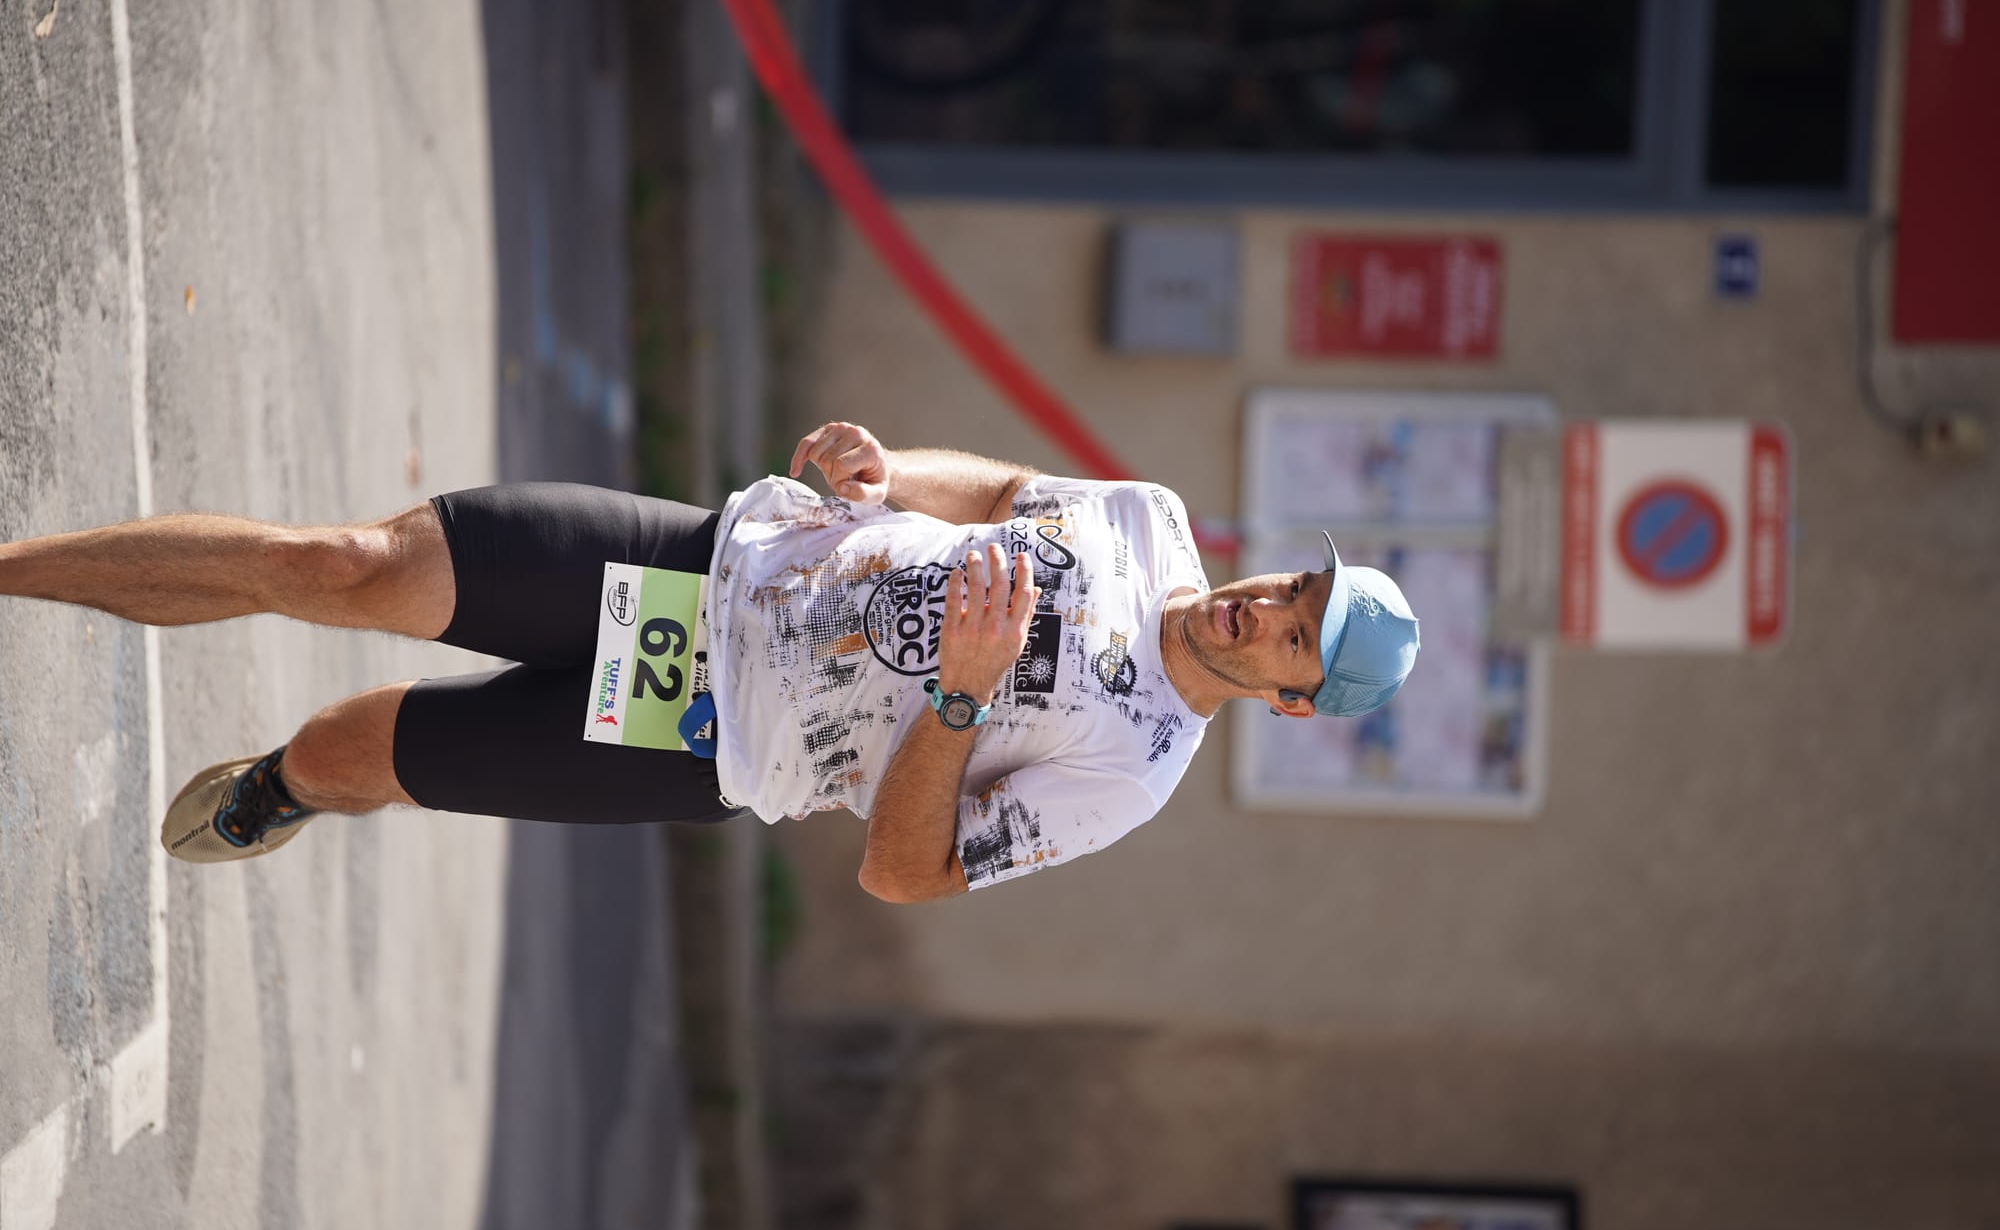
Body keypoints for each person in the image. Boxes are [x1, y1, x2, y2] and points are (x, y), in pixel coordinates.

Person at [0, 423, 1418, 901]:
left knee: (348, 750)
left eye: (1292, 633)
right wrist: (881, 469)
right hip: (714, 565)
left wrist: (963, 693)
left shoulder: (1132, 772)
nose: (1261, 605)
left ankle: (286, 785)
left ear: (1290, 695)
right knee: (349, 568)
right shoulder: (1146, 523)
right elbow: (994, 495)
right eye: (1295, 582)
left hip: (702, 736)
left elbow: (903, 870)